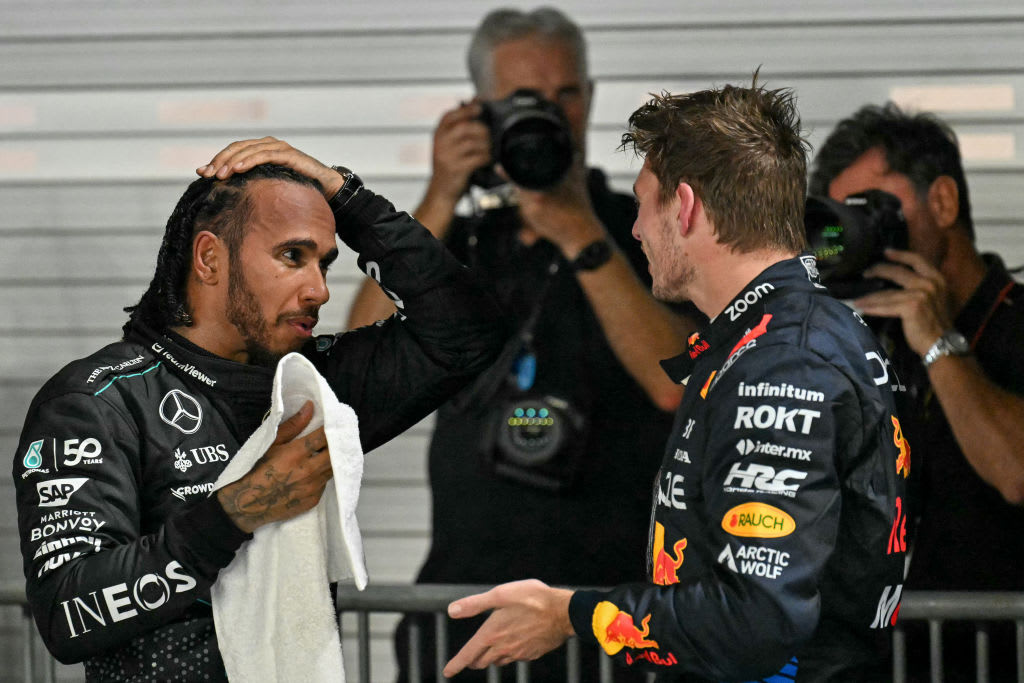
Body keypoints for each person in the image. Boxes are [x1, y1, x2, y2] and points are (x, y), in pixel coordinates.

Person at [440, 82, 911, 682]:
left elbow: (756, 620)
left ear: (684, 207)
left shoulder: (782, 364)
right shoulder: (783, 337)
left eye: (642, 204)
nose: (634, 230)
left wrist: (571, 614)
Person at [12, 137, 506, 682]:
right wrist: (237, 511)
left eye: (325, 263)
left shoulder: (311, 387)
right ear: (208, 258)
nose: (319, 289)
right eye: (292, 256)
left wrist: (347, 197)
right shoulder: (97, 401)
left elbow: (469, 332)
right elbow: (63, 616)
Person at [345, 8, 694, 681]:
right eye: (522, 101)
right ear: (479, 111)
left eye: (566, 94)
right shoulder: (456, 244)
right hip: (463, 606)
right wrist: (440, 193)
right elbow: (358, 370)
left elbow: (677, 382)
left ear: (590, 99)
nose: (551, 114)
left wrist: (579, 234)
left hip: (608, 614)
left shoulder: (642, 229)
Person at [809, 103, 1024, 680]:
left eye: (873, 209)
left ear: (944, 202)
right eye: (843, 215)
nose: (857, 230)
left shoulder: (1016, 326)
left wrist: (937, 340)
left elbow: (1017, 471)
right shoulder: (868, 343)